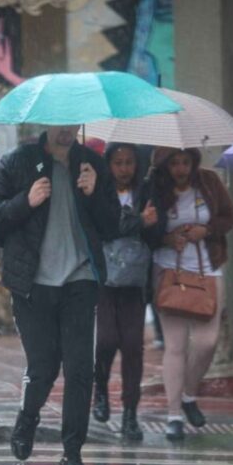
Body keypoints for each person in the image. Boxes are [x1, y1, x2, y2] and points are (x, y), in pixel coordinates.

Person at [0, 126, 120, 465]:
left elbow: (111, 224)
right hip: (33, 282)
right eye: (59, 123)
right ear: (46, 123)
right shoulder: (18, 162)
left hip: (80, 279)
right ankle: (28, 417)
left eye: (72, 123)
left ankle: (71, 456)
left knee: (80, 370)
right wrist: (25, 201)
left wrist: (93, 194)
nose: (66, 131)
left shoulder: (92, 164)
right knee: (44, 367)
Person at [144, 147, 233, 441]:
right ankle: (173, 416)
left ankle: (189, 393)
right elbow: (144, 229)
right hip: (168, 271)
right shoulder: (154, 189)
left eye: (185, 162)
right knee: (175, 346)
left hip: (208, 270)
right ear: (165, 165)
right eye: (174, 163)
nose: (180, 169)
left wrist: (206, 230)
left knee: (208, 342)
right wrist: (166, 237)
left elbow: (229, 217)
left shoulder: (208, 182)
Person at [92, 143, 157, 441]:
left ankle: (130, 412)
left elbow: (156, 229)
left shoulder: (146, 191)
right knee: (106, 339)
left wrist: (147, 224)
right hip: (105, 278)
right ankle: (100, 388)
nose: (123, 168)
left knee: (133, 345)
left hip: (135, 279)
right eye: (118, 162)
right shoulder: (101, 191)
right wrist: (137, 221)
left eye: (129, 162)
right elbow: (105, 226)